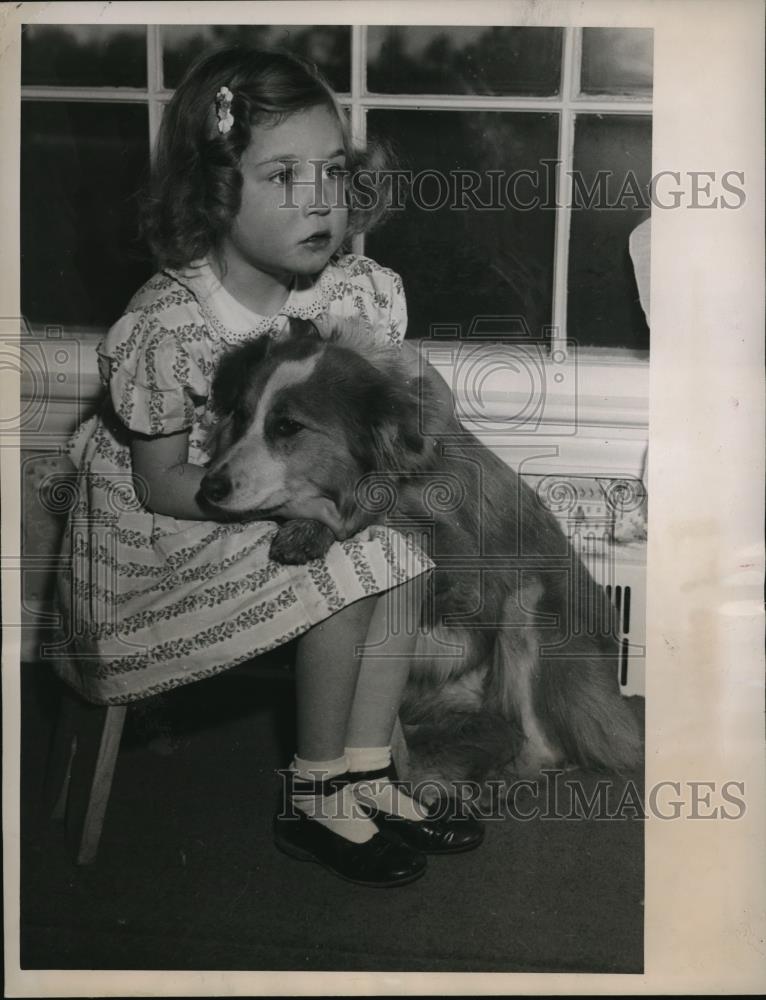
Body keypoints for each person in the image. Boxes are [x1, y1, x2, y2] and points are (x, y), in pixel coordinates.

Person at [54, 46, 483, 888]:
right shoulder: (168, 323)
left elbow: (392, 399)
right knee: (356, 558)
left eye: (331, 172)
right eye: (283, 175)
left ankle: (364, 769)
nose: (320, 201)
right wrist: (301, 511)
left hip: (284, 502)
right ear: (213, 192)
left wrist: (416, 402)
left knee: (399, 547)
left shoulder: (350, 290)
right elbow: (158, 483)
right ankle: (314, 795)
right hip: (169, 538)